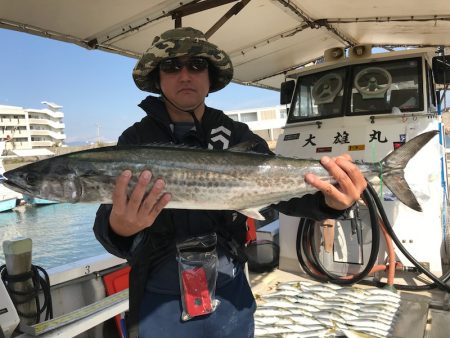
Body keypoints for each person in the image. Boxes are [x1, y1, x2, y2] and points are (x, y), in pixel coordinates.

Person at [93, 27, 367, 338]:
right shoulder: (135, 141)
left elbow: (283, 194)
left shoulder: (237, 136)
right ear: (157, 79)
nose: (185, 75)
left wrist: (329, 203)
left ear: (210, 78)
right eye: (171, 67)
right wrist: (120, 228)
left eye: (196, 66)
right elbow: (107, 221)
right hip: (160, 298)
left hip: (230, 291)